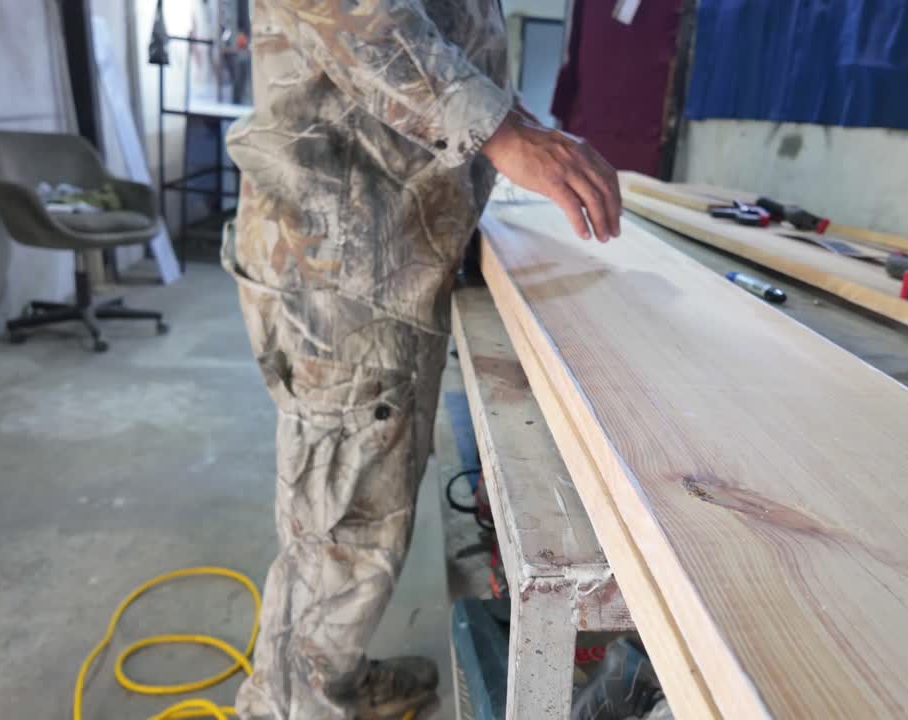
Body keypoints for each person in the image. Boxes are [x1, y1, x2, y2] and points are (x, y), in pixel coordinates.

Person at [222, 1, 621, 717]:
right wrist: (500, 131)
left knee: (355, 515)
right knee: (343, 526)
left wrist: (518, 126)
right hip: (345, 266)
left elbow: (443, 33)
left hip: (381, 247)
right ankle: (295, 705)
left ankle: (326, 678)